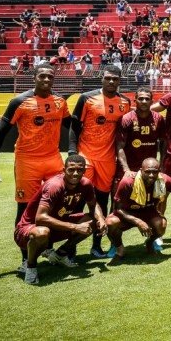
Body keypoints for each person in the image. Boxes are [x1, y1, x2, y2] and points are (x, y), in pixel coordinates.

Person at [0, 64, 72, 268]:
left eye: (50, 77)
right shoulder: (19, 101)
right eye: (42, 76)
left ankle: (49, 249)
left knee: (58, 204)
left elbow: (73, 125)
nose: (46, 80)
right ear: (34, 77)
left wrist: (76, 150)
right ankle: (25, 259)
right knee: (26, 209)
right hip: (27, 161)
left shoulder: (59, 102)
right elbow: (1, 131)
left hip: (53, 159)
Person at [68, 65, 132, 258]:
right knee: (78, 202)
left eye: (115, 79)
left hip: (108, 160)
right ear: (101, 79)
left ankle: (96, 246)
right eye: (108, 78)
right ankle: (70, 250)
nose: (111, 82)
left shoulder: (125, 102)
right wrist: (72, 152)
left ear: (120, 80)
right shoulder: (86, 98)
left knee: (102, 202)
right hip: (86, 157)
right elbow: (73, 127)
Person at [14, 154, 107, 285]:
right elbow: (40, 218)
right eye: (71, 170)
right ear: (64, 170)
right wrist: (75, 227)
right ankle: (30, 267)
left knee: (93, 221)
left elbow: (94, 205)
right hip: (29, 229)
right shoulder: (55, 185)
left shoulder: (85, 184)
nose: (75, 173)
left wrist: (101, 219)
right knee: (42, 232)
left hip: (56, 225)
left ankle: (60, 254)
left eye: (79, 170)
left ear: (84, 171)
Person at [105, 158, 171, 264]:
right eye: (148, 172)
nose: (151, 175)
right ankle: (119, 248)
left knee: (161, 225)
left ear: (159, 171)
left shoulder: (162, 180)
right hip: (128, 213)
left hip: (148, 212)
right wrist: (138, 221)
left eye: (155, 172)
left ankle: (150, 243)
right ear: (141, 170)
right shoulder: (128, 182)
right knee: (110, 222)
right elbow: (117, 208)